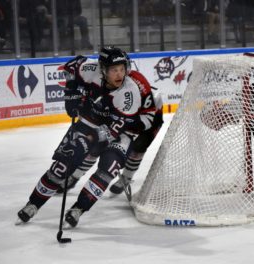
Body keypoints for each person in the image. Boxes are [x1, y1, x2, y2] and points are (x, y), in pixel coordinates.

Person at [16, 46, 153, 227]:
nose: (120, 74)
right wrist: (71, 92)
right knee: (62, 165)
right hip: (88, 122)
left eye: (122, 68)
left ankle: (79, 209)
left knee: (108, 168)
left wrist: (88, 140)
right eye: (114, 70)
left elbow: (114, 130)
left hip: (119, 133)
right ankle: (33, 204)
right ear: (103, 69)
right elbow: (72, 66)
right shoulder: (91, 70)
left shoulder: (129, 93)